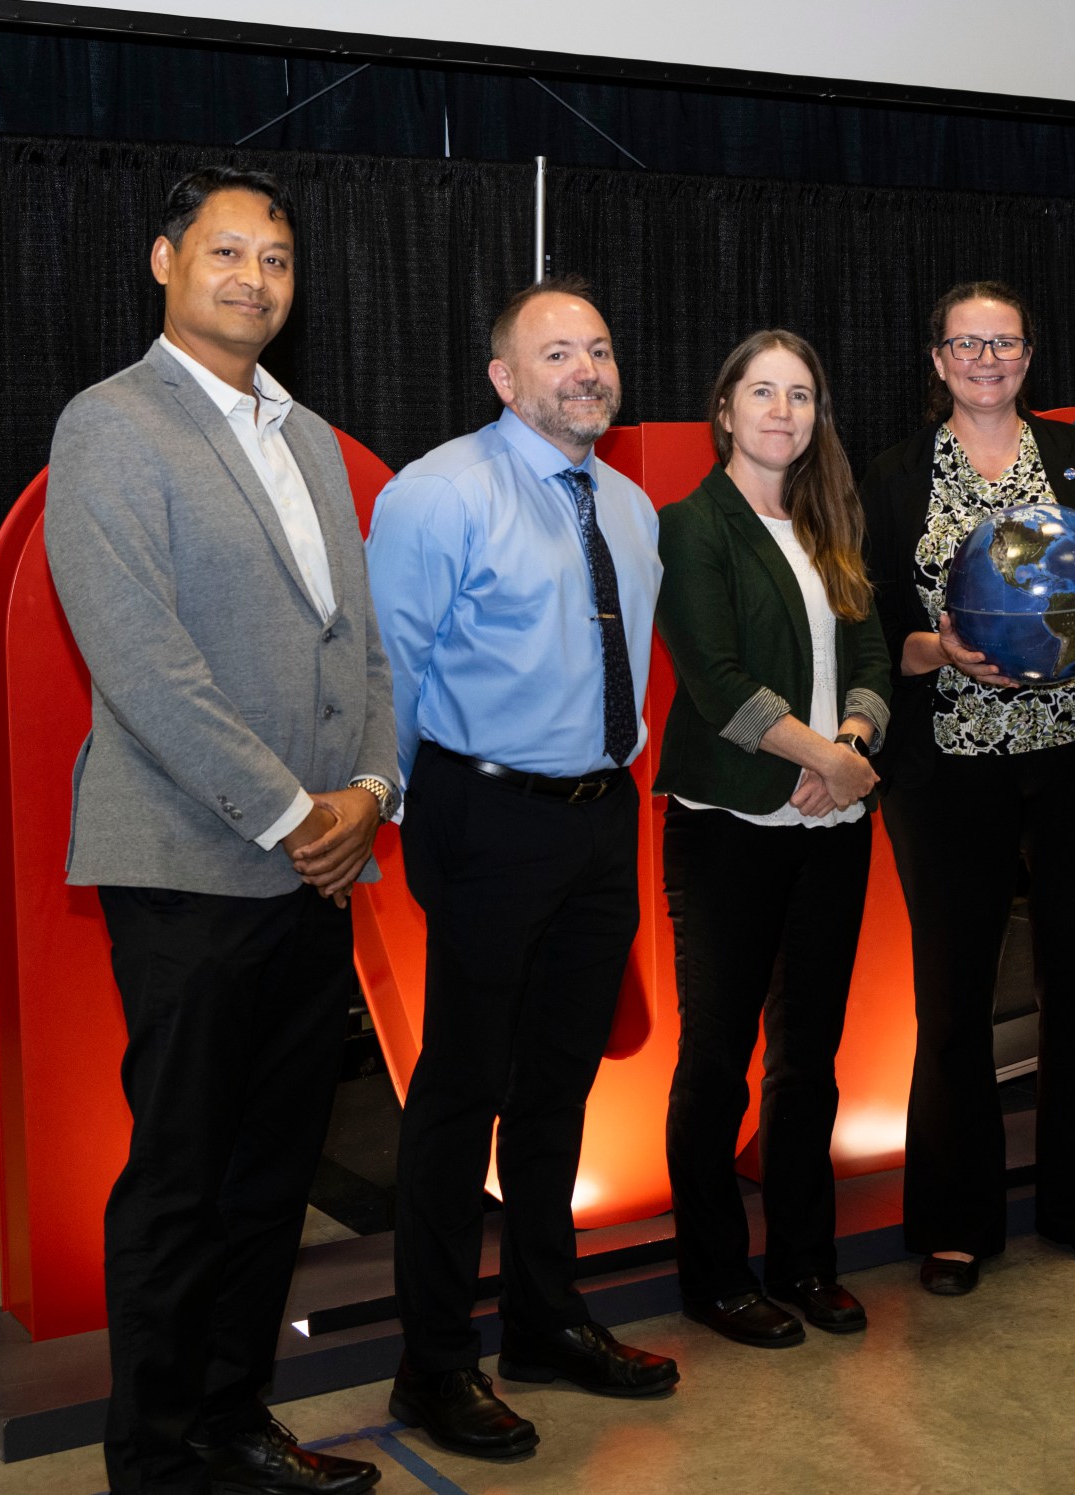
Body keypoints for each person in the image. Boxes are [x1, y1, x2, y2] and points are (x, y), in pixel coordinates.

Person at [44, 166, 394, 1495]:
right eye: (226, 253)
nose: (254, 278)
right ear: (163, 260)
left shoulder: (309, 437)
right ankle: (152, 1456)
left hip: (317, 870)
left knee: (270, 1172)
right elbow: (138, 656)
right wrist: (293, 810)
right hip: (194, 861)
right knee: (182, 1178)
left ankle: (235, 1423)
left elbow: (357, 641)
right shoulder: (111, 424)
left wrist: (371, 788)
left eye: (278, 259)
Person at [364, 275, 676, 1460]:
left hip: (602, 824)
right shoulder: (438, 493)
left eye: (598, 349)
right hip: (483, 819)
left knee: (557, 1094)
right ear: (504, 378)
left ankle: (545, 1320)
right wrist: (377, 820)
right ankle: (431, 1366)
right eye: (556, 354)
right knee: (458, 1097)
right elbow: (390, 672)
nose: (585, 370)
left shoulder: (632, 508)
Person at [861, 281, 1075, 1295]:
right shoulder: (895, 477)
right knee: (950, 1001)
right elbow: (864, 627)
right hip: (947, 770)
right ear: (937, 359)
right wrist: (922, 647)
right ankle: (957, 1224)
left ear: (1028, 357)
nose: (985, 359)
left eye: (1003, 342)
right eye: (965, 343)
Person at [655, 330, 891, 1347]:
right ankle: (712, 1276)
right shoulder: (690, 525)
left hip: (830, 832)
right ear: (723, 409)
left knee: (810, 1061)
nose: (782, 411)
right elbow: (712, 680)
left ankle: (803, 1262)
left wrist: (850, 739)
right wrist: (827, 760)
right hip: (729, 835)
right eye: (762, 391)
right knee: (716, 1060)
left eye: (800, 394)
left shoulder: (828, 523)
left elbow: (874, 648)